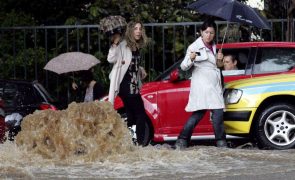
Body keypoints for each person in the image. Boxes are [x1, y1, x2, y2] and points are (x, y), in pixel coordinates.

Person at [174, 19, 227, 149]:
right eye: (206, 32)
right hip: (202, 85)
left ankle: (221, 144)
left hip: (215, 85)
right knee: (200, 114)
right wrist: (191, 58)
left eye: (212, 33)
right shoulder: (194, 47)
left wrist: (220, 61)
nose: (209, 35)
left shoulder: (215, 46)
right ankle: (182, 140)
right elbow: (184, 66)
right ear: (201, 32)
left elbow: (219, 67)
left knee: (217, 115)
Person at [107, 19, 149, 146]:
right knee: (141, 114)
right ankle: (141, 144)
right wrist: (114, 43)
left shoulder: (136, 46)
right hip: (126, 86)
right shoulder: (123, 45)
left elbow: (131, 64)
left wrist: (140, 70)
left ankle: (124, 141)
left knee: (131, 115)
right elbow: (110, 58)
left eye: (140, 29)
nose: (138, 31)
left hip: (133, 85)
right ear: (130, 31)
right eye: (135, 28)